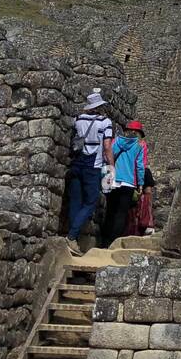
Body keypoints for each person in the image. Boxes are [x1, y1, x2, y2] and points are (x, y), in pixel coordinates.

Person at [65, 89, 114, 256]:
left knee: (75, 201)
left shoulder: (78, 119)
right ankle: (71, 236)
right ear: (99, 106)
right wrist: (111, 167)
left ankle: (73, 240)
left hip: (76, 163)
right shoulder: (105, 122)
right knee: (91, 202)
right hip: (93, 166)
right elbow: (107, 147)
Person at [103, 120, 147, 248]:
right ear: (138, 133)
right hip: (128, 182)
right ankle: (113, 243)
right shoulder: (140, 145)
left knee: (110, 211)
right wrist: (140, 184)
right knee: (121, 213)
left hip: (112, 180)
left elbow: (109, 154)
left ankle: (104, 242)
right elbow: (140, 166)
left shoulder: (116, 141)